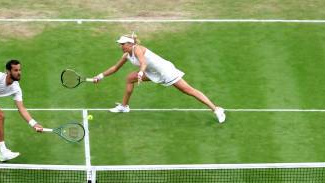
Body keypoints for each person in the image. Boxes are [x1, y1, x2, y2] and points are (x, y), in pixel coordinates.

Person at [92, 33, 226, 123]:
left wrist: (140, 73)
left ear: (130, 44)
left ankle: (216, 109)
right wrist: (100, 76)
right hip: (152, 72)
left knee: (189, 90)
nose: (120, 46)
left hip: (165, 71)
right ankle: (124, 106)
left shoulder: (137, 49)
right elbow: (115, 68)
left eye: (122, 44)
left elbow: (143, 62)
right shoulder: (127, 55)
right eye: (120, 44)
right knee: (129, 78)